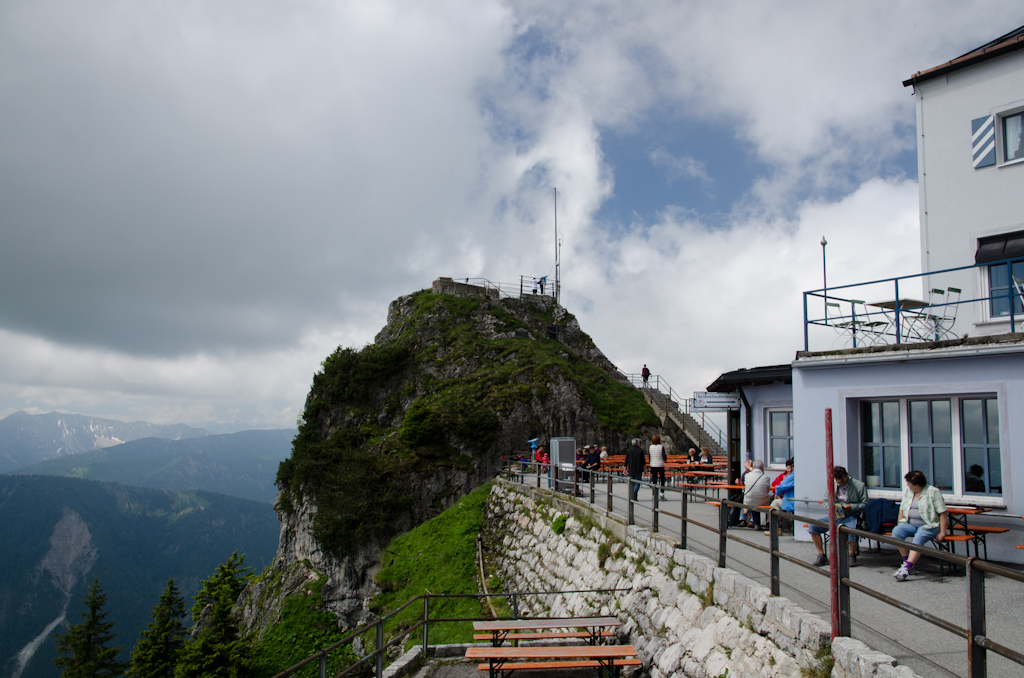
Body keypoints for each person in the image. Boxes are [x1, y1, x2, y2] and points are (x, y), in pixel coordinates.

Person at [892, 470, 948, 582]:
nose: (907, 485)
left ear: (917, 485)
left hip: (929, 525)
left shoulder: (933, 492)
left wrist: (942, 532)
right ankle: (907, 562)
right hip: (910, 523)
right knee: (896, 532)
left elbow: (943, 513)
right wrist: (901, 523)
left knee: (919, 536)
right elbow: (902, 508)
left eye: (909, 483)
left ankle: (906, 568)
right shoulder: (909, 491)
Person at [808, 466, 867, 567]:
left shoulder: (859, 486)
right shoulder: (832, 485)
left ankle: (852, 555)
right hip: (836, 515)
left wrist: (852, 507)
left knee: (852, 530)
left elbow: (865, 504)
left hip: (852, 515)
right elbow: (826, 501)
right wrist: (831, 508)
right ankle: (821, 555)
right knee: (813, 526)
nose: (841, 483)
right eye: (838, 482)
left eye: (843, 481)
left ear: (847, 475)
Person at [765, 458, 795, 535]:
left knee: (774, 504)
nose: (790, 469)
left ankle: (777, 528)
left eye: (791, 467)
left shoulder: (792, 476)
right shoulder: (783, 475)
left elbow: (780, 487)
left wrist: (777, 493)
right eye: (788, 468)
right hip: (793, 501)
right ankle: (792, 526)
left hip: (791, 501)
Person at [740, 460, 771, 528]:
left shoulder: (747, 476)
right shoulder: (766, 477)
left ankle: (756, 523)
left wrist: (750, 468)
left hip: (748, 501)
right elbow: (767, 490)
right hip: (761, 502)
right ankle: (768, 522)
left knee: (753, 498)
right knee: (761, 498)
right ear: (762, 467)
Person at [648, 434, 667, 500]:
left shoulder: (650, 447)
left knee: (654, 480)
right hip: (660, 465)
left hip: (653, 465)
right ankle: (661, 493)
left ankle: (654, 494)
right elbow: (664, 457)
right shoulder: (661, 447)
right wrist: (664, 459)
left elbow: (649, 457)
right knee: (662, 479)